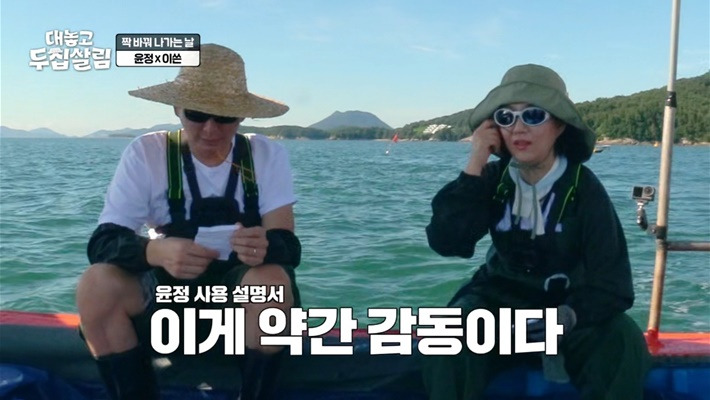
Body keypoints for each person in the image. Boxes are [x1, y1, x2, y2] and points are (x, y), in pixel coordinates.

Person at [76, 43, 301, 400]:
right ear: (177, 109)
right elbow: (103, 242)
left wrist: (266, 246)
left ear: (242, 117)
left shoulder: (266, 154)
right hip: (165, 298)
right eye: (197, 114)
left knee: (271, 282)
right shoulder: (146, 152)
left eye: (225, 117)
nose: (211, 129)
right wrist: (155, 252)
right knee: (95, 285)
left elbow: (288, 246)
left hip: (238, 303)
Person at [423, 64, 651, 399]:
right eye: (505, 117)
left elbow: (614, 286)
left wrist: (569, 316)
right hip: (497, 307)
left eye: (533, 115)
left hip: (568, 312)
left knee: (622, 341)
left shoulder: (585, 190)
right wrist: (475, 162)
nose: (518, 128)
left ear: (559, 125)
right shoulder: (492, 180)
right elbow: (447, 242)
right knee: (449, 335)